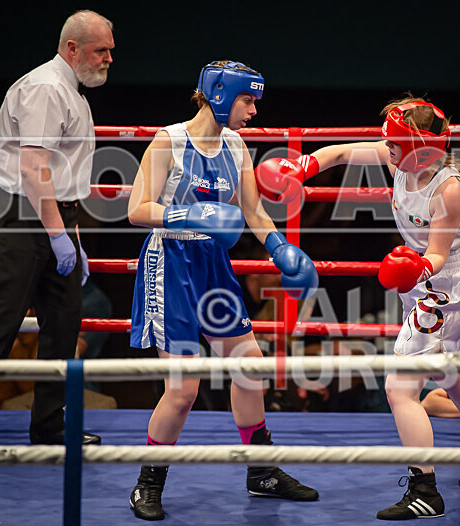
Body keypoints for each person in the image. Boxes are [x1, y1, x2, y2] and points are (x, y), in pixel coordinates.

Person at [255, 95, 460, 520]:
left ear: (419, 150)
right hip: (427, 286)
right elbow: (340, 153)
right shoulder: (401, 158)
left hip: (442, 290)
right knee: (446, 372)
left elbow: (437, 254)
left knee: (399, 388)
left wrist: (414, 268)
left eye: (394, 143)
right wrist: (303, 166)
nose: (387, 148)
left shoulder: (447, 189)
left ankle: (425, 490)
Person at [127, 60, 319, 521]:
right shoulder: (169, 141)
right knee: (183, 390)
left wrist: (279, 248)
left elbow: (252, 210)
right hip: (170, 263)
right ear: (219, 95)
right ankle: (147, 483)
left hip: (212, 263)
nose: (253, 110)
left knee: (250, 365)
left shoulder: (236, 146)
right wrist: (187, 214)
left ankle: (261, 471)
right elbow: (136, 209)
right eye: (247, 100)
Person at [0, 10, 114, 449]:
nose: (109, 58)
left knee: (63, 323)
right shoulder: (46, 88)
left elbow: (61, 178)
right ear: (72, 48)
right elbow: (34, 168)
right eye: (101, 50)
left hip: (52, 214)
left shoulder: (72, 93)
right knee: (2, 319)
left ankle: (49, 426)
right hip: (18, 215)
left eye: (110, 50)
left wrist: (69, 236)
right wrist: (57, 234)